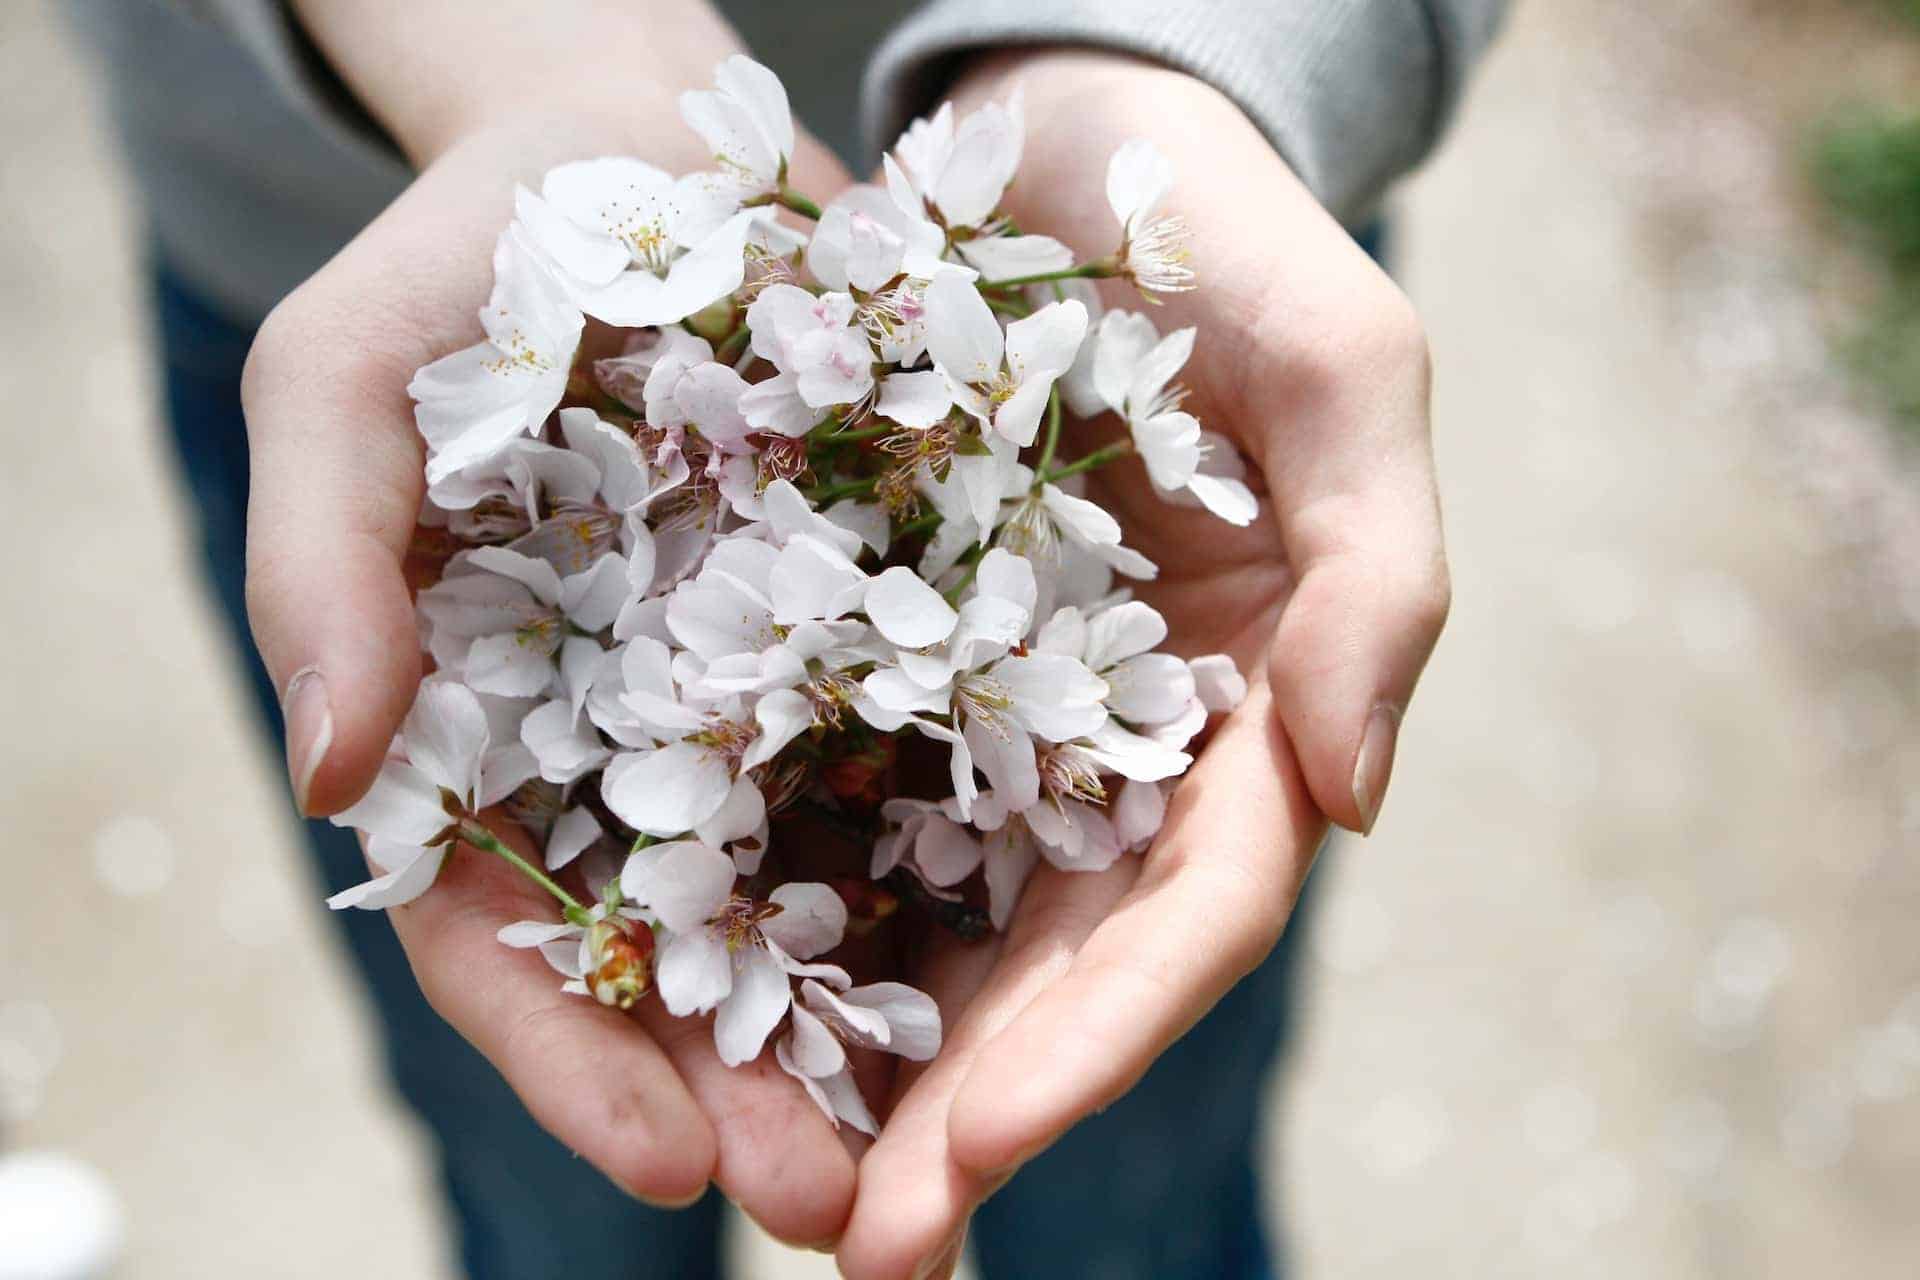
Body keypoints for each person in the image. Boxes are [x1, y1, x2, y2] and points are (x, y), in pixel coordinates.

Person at [65, 2, 1501, 1276]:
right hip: (332, 235)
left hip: (1170, 156)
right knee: (559, 1209)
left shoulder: (1050, 389)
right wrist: (533, 50)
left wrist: (1198, 59)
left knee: (1132, 1205)